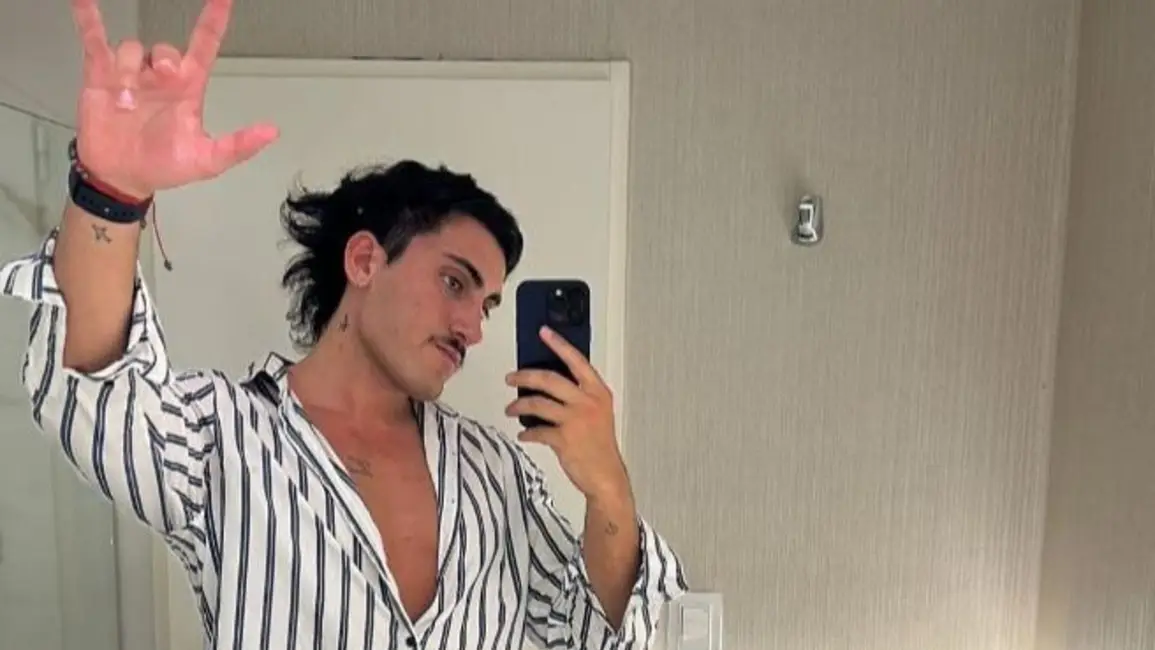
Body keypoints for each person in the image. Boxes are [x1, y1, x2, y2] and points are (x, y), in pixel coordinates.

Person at [0, 0, 689, 648]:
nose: (472, 328)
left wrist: (606, 486)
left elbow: (597, 633)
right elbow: (97, 398)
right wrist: (111, 195)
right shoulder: (225, 440)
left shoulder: (496, 476)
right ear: (365, 260)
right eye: (454, 283)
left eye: (485, 305)